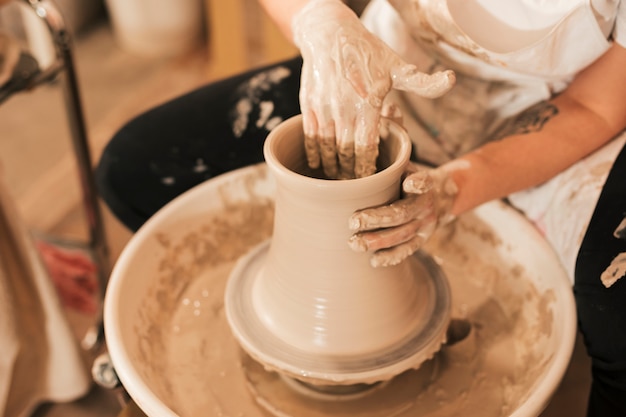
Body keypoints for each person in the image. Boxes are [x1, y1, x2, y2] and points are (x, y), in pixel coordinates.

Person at [96, 0, 626, 415]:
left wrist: (460, 186)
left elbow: (596, 106)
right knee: (134, 170)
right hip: (381, 74)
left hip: (556, 118)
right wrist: (320, 21)